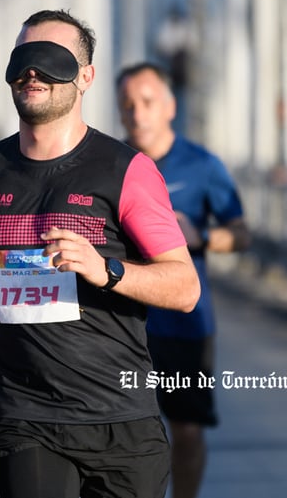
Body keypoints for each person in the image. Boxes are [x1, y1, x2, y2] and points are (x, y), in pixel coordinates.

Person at [0, 9, 201, 498]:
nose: (32, 71)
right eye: (23, 58)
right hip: (25, 415)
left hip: (120, 417)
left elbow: (185, 287)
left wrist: (106, 269)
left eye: (51, 59)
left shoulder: (126, 170)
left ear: (86, 77)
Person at [116, 62, 251, 498]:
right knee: (122, 436)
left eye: (148, 102)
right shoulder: (109, 164)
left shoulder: (202, 165)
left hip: (185, 322)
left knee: (187, 433)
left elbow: (243, 233)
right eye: (128, 104)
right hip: (120, 322)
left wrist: (203, 236)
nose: (138, 113)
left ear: (170, 106)